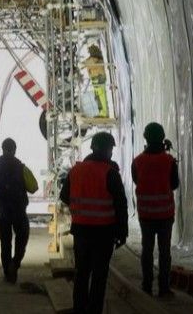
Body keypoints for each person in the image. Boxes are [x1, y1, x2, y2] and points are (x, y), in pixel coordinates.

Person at [59, 132, 128, 314]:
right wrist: (122, 232)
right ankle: (94, 310)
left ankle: (79, 309)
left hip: (81, 231)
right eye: (110, 149)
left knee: (81, 272)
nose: (111, 153)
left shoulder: (76, 171)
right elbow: (121, 205)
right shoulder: (110, 173)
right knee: (99, 275)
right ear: (107, 150)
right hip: (104, 233)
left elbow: (64, 196)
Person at [131, 123, 179, 297]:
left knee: (147, 251)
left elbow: (137, 180)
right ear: (162, 137)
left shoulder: (137, 161)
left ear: (145, 137)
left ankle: (147, 286)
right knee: (165, 252)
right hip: (165, 214)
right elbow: (174, 184)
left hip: (146, 214)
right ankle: (164, 288)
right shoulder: (169, 161)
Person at [0, 138, 39, 283]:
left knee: (5, 244)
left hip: (3, 212)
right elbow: (34, 187)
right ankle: (14, 264)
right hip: (19, 212)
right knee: (22, 240)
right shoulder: (22, 168)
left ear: (2, 149)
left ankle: (7, 273)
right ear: (15, 150)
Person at [84, 45, 108, 118]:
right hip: (97, 78)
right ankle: (102, 112)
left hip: (98, 78)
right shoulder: (96, 58)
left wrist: (85, 62)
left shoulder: (95, 59)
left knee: (100, 96)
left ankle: (103, 112)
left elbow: (88, 63)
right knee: (98, 96)